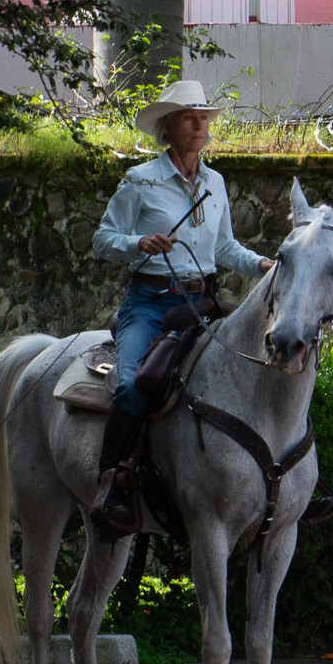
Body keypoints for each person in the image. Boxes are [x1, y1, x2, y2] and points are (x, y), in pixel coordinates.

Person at [89, 80, 274, 535]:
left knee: (262, 366)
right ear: (168, 128)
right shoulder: (140, 179)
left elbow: (225, 248)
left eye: (203, 118)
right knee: (132, 386)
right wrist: (139, 243)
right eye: (190, 118)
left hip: (202, 302)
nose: (199, 125)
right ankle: (111, 483)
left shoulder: (216, 182)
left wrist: (262, 265)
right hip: (150, 303)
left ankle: (282, 484)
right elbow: (102, 239)